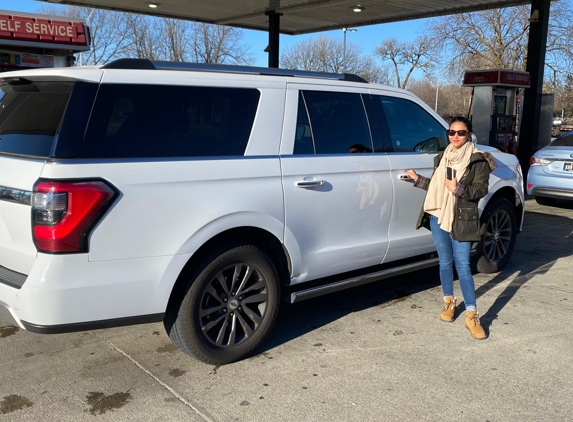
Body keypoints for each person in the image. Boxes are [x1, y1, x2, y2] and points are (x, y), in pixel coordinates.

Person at [405, 116, 496, 340]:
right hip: (437, 215)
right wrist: (418, 180)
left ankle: (472, 314)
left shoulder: (478, 161)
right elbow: (438, 186)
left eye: (461, 133)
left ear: (469, 135)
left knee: (463, 266)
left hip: (461, 218)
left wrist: (459, 189)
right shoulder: (442, 157)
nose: (455, 136)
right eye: (451, 132)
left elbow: (480, 190)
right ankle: (449, 302)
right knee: (445, 261)